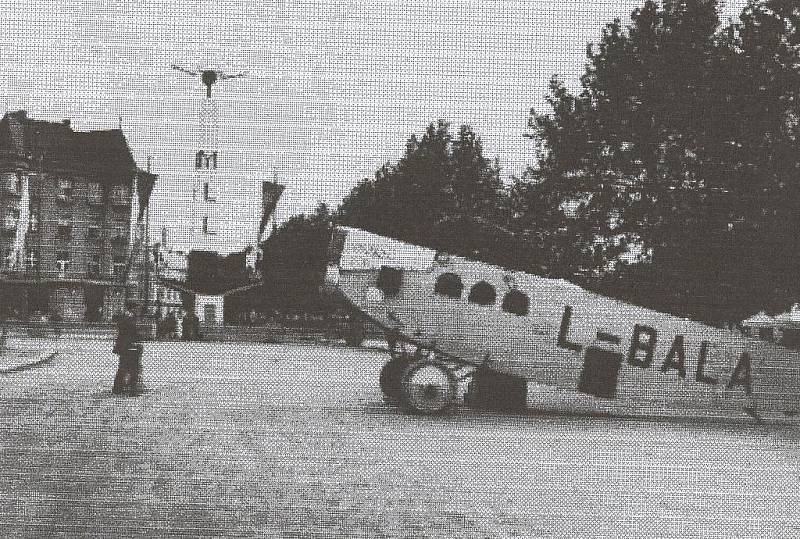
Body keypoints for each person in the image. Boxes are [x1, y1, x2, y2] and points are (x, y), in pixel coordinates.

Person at [112, 301, 142, 395]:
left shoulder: (126, 317)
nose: (138, 310)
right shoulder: (129, 319)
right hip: (130, 346)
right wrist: (136, 342)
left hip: (125, 346)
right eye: (137, 308)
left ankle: (118, 388)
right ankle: (133, 391)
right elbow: (131, 333)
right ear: (133, 308)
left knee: (123, 367)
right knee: (134, 369)